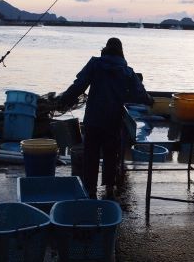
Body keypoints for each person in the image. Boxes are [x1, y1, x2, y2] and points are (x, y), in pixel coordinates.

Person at [57, 37, 153, 198]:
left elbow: (79, 85)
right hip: (113, 121)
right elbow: (140, 94)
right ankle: (109, 187)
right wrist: (151, 101)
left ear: (105, 49)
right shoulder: (128, 71)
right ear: (121, 52)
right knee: (111, 154)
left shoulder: (95, 64)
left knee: (91, 155)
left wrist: (63, 101)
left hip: (93, 119)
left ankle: (90, 190)